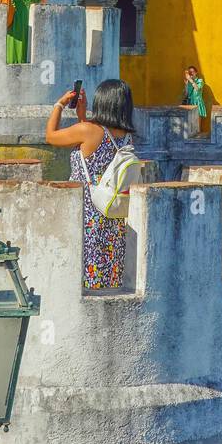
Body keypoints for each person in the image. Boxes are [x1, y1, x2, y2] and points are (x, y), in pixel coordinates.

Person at [45, 79, 135, 290]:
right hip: (111, 213)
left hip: (86, 212)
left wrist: (59, 105)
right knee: (106, 277)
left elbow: (50, 137)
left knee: (82, 274)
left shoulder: (87, 130)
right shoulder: (127, 138)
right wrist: (82, 117)